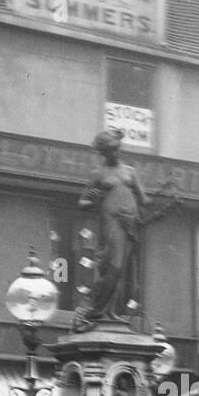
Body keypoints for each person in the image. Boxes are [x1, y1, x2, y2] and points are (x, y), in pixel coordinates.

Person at [74, 128, 148, 329]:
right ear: (105, 152)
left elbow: (143, 199)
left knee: (120, 270)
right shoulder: (99, 174)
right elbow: (82, 202)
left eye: (118, 148)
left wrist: (168, 197)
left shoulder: (130, 172)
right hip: (110, 222)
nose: (118, 153)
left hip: (129, 224)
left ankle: (109, 311)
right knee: (112, 267)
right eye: (113, 150)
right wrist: (94, 200)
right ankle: (90, 309)